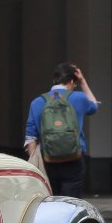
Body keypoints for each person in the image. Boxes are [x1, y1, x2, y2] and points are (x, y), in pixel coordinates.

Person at [24, 63, 100, 198]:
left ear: (55, 80)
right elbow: (94, 106)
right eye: (75, 84)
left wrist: (36, 165)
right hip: (74, 158)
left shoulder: (37, 102)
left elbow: (30, 138)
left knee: (51, 199)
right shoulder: (79, 98)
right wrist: (83, 81)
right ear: (71, 81)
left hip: (48, 160)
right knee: (71, 201)